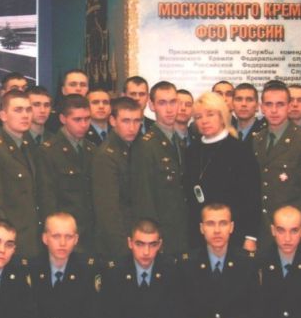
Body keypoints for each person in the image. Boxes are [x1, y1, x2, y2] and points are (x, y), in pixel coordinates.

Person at [184, 92, 260, 250]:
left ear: (222, 116)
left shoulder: (240, 150)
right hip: (199, 234)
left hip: (235, 234)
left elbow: (252, 197)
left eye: (210, 114)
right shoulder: (191, 151)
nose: (204, 121)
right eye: (198, 117)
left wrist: (250, 236)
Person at [0, 89, 44, 260]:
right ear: (3, 115)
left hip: (32, 239)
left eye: (28, 110)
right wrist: (3, 244)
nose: (25, 115)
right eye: (18, 110)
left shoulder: (28, 146)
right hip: (9, 243)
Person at [252, 80, 301, 244]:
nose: (274, 110)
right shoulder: (257, 139)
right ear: (262, 108)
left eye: (280, 104)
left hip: (291, 231)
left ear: (289, 106)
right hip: (263, 230)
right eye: (269, 104)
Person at [131, 81, 189, 256]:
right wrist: (153, 240)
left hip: (182, 231)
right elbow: (144, 198)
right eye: (162, 103)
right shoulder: (145, 146)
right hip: (161, 235)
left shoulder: (179, 141)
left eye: (173, 102)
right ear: (152, 105)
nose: (169, 109)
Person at [38, 95, 97, 255]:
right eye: (77, 119)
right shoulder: (48, 151)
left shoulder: (92, 149)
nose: (84, 124)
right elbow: (47, 198)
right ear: (63, 119)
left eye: (87, 119)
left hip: (90, 233)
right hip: (62, 234)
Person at [92, 97, 142, 258]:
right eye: (126, 121)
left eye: (136, 121)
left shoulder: (135, 147)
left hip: (136, 236)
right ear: (113, 121)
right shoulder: (107, 155)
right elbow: (108, 211)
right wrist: (123, 250)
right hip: (118, 243)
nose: (132, 127)